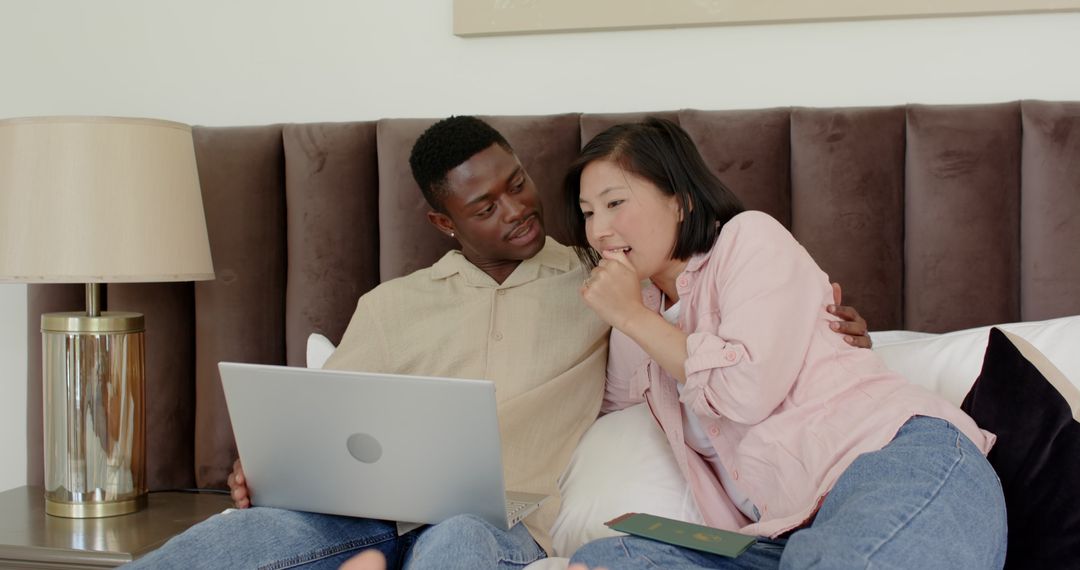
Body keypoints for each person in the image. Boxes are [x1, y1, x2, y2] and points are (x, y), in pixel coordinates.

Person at [126, 116, 872, 570]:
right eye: (485, 206)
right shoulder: (390, 308)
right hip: (357, 513)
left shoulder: (605, 281)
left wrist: (828, 327)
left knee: (455, 544)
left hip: (502, 523)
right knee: (227, 546)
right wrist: (269, 470)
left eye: (518, 183)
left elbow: (719, 322)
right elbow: (323, 424)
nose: (518, 210)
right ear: (443, 224)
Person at [561, 118, 1008, 570]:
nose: (598, 231)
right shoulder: (635, 324)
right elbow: (605, 412)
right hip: (779, 535)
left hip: (890, 462)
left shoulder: (748, 238)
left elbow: (744, 392)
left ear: (681, 202)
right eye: (588, 212)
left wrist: (632, 316)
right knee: (609, 558)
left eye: (614, 203)